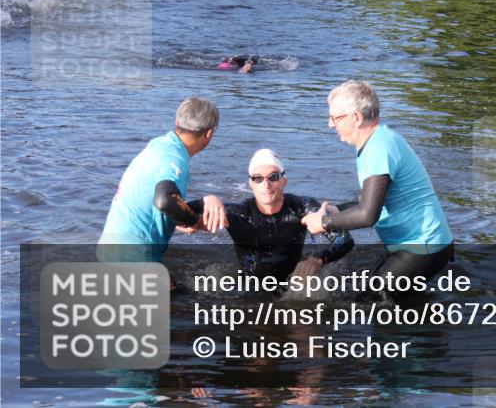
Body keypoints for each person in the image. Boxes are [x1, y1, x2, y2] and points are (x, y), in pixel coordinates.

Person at [302, 81, 453, 301]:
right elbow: (372, 201)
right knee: (386, 301)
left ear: (356, 117)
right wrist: (337, 210)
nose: (330, 124)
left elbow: (367, 215)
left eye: (335, 118)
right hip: (415, 244)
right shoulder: (377, 141)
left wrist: (324, 223)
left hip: (422, 246)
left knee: (371, 304)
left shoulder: (379, 148)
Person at [173, 149, 355, 281]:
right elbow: (174, 215)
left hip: (291, 285)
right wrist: (206, 201)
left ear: (284, 181)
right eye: (258, 178)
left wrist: (318, 260)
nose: (266, 185)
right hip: (247, 288)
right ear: (251, 184)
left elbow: (345, 239)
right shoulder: (237, 214)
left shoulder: (301, 208)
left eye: (273, 177)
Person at [98, 97, 227, 262]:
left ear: (177, 122)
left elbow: (160, 203)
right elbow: (165, 200)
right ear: (209, 132)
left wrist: (201, 204)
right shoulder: (174, 158)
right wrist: (195, 222)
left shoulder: (159, 144)